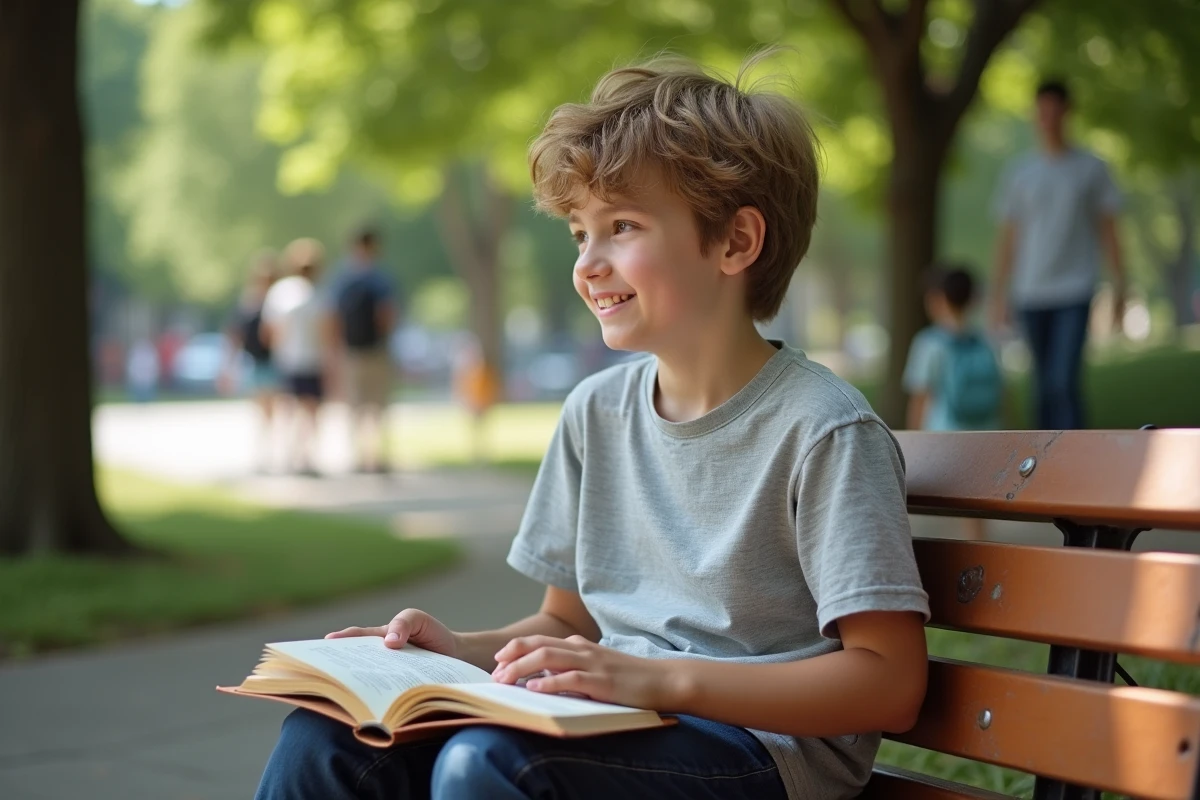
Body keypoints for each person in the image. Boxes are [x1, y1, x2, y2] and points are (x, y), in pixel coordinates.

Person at [254, 54, 930, 800]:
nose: (588, 264)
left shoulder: (822, 430)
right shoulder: (596, 413)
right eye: (580, 233)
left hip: (761, 754)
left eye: (622, 227)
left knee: (490, 766)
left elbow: (888, 682)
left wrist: (656, 678)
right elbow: (566, 624)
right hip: (618, 723)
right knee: (330, 738)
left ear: (736, 242)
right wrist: (461, 652)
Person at [990, 78, 1126, 430]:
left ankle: (1074, 463)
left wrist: (1121, 285)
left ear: (1067, 112)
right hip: (1030, 292)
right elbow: (1008, 239)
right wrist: (999, 295)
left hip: (1074, 289)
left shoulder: (1091, 169)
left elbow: (1110, 230)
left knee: (1062, 381)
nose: (1048, 119)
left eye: (1054, 111)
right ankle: (1043, 468)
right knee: (1040, 388)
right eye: (1042, 112)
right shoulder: (1020, 174)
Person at [904, 266, 1003, 540]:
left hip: (945, 439)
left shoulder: (929, 343)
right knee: (976, 513)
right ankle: (979, 551)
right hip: (985, 437)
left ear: (936, 299)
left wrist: (913, 443)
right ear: (972, 300)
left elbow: (920, 397)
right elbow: (1003, 394)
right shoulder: (984, 342)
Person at [329, 227, 399, 474]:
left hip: (353, 351)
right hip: (377, 351)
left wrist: (336, 350)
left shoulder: (343, 278)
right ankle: (378, 456)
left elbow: (334, 318)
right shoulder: (380, 278)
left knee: (355, 406)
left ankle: (358, 457)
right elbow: (387, 313)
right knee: (378, 406)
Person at [262, 238, 332, 477]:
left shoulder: (281, 293)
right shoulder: (317, 295)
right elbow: (327, 332)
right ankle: (302, 456)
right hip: (307, 360)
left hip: (291, 360)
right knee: (307, 411)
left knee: (293, 411)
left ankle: (295, 455)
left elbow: (270, 331)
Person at [223, 250, 280, 472]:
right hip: (256, 362)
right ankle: (264, 454)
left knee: (271, 412)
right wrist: (228, 364)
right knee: (263, 412)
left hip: (273, 362)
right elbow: (236, 334)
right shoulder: (249, 303)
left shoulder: (275, 302)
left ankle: (269, 453)